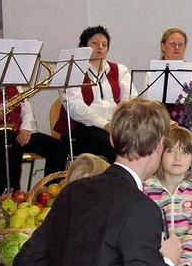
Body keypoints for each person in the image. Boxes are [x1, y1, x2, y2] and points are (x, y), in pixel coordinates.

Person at [14, 97, 192, 266]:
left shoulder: (72, 190)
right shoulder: (142, 208)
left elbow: (26, 262)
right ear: (159, 146)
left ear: (111, 139)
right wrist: (168, 261)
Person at [0, 33, 67, 193]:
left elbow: (25, 107)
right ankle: (3, 194)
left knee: (57, 147)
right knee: (8, 146)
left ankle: (49, 192)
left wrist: (26, 128)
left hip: (14, 130)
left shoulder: (11, 78)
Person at [54, 25, 135, 163]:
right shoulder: (72, 70)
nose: (100, 47)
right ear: (84, 46)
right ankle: (113, 181)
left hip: (114, 124)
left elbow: (131, 100)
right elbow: (76, 109)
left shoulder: (119, 70)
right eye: (95, 43)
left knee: (141, 138)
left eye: (104, 44)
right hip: (83, 127)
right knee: (108, 144)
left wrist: (118, 122)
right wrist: (106, 125)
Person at [144, 125, 192, 266]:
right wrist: (168, 261)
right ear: (159, 154)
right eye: (170, 151)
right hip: (158, 256)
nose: (177, 158)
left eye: (185, 152)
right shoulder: (146, 189)